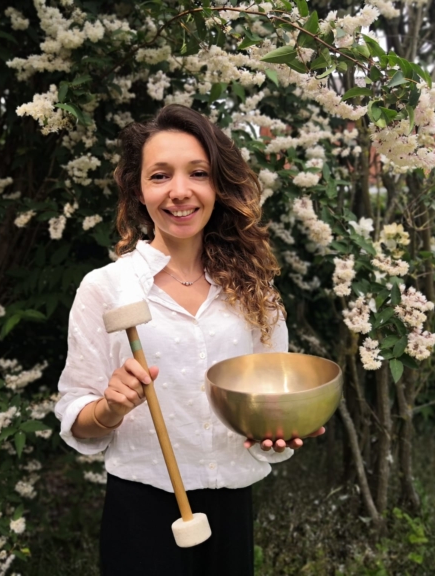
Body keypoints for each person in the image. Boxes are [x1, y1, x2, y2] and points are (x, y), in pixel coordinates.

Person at [55, 104, 323, 576]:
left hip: (231, 501)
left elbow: (268, 402)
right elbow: (76, 418)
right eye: (160, 176)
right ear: (138, 190)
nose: (179, 191)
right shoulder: (106, 287)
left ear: (217, 184)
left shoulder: (254, 290)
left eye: (197, 173)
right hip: (142, 508)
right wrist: (110, 408)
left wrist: (278, 429)